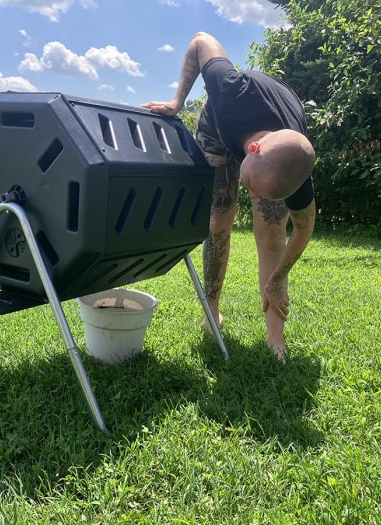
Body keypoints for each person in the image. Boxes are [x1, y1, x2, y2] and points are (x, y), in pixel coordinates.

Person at [142, 32, 316, 362]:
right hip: (218, 128)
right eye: (250, 186)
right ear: (251, 150)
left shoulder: (293, 166)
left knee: (272, 237)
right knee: (219, 221)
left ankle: (275, 341)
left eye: (254, 191)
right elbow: (199, 40)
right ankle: (212, 313)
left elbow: (304, 229)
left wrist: (277, 279)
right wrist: (176, 102)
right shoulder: (230, 89)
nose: (250, 195)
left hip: (270, 145)